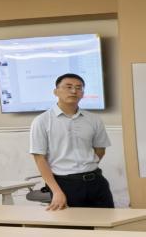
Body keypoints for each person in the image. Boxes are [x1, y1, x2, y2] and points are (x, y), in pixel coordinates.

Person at [30, 73, 114, 211]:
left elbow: (100, 150)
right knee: (72, 224)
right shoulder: (42, 121)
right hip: (65, 185)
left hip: (97, 182)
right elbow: (40, 159)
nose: (74, 91)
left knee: (107, 222)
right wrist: (56, 191)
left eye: (78, 88)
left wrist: (85, 166)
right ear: (56, 91)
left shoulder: (94, 119)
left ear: (82, 93)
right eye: (68, 87)